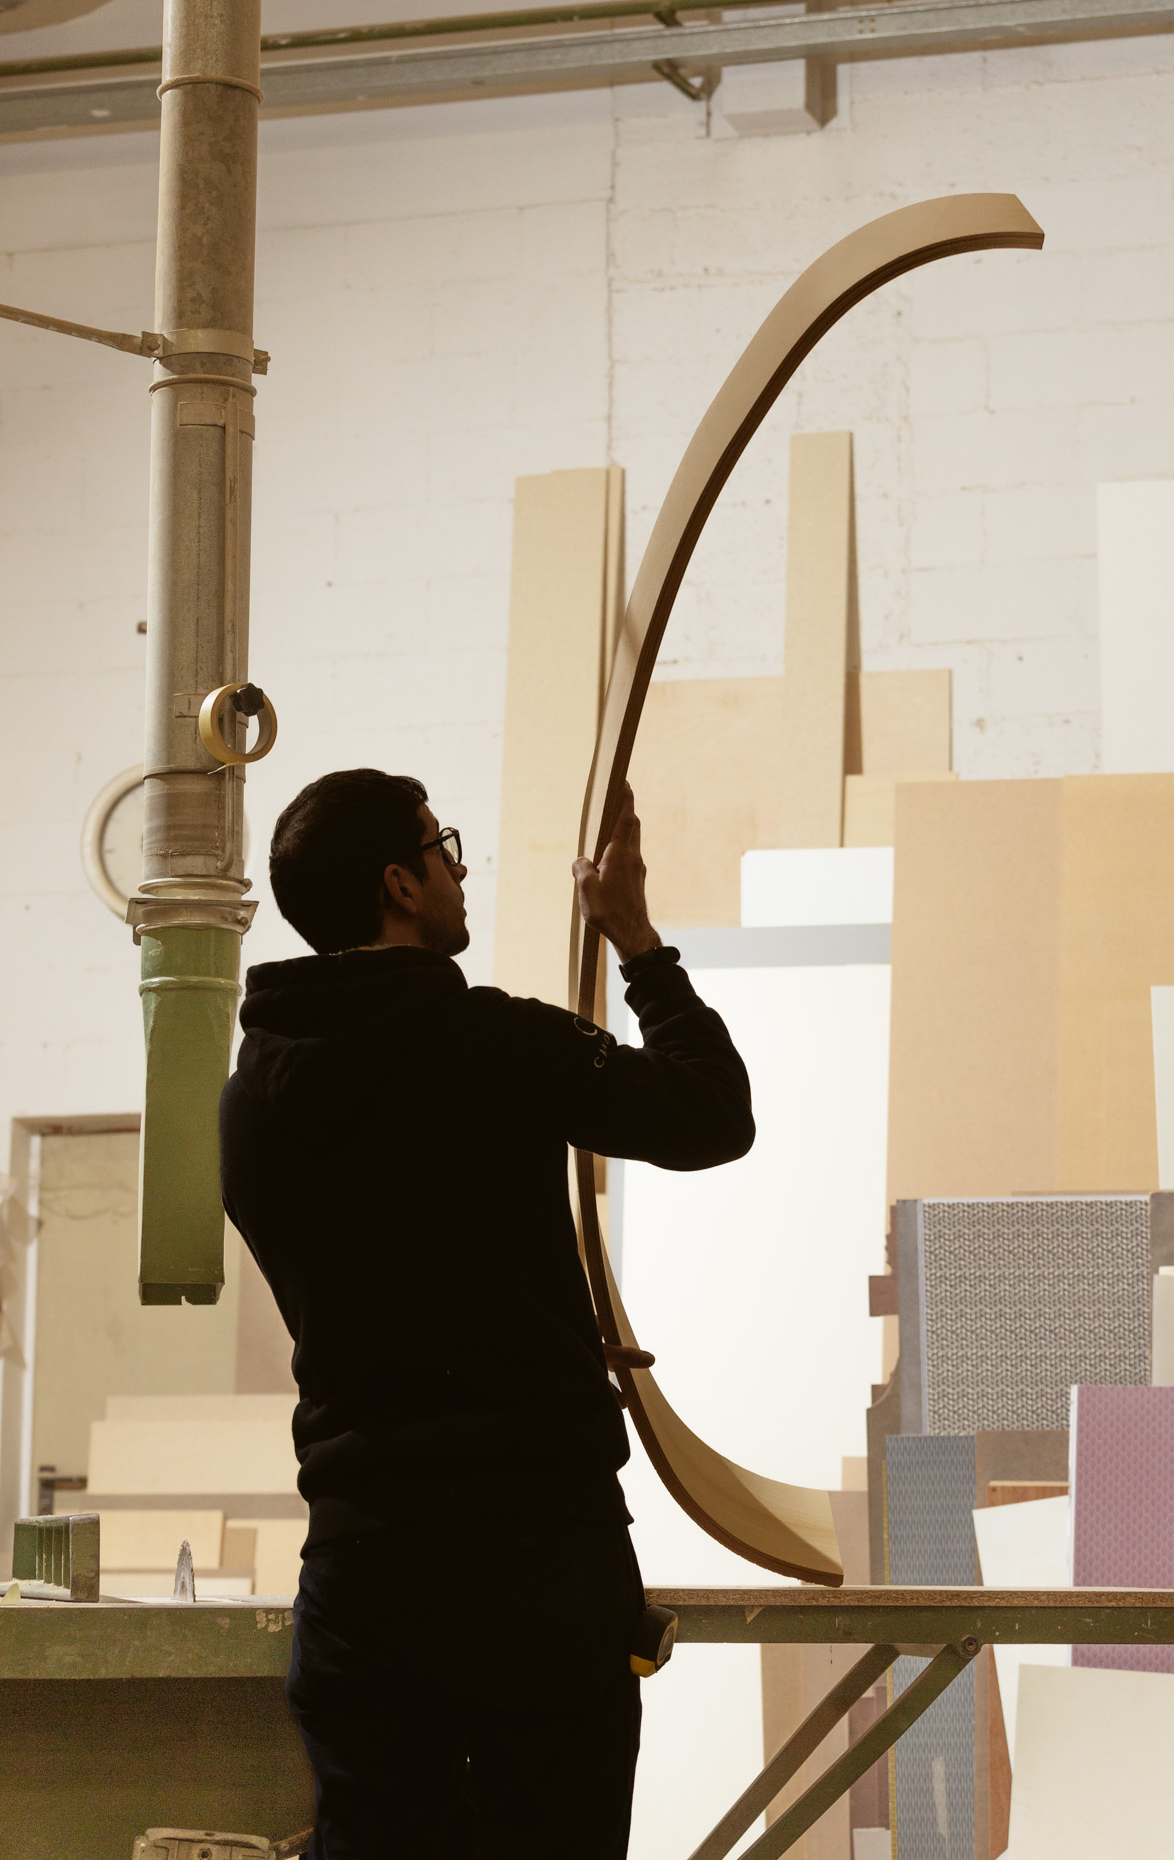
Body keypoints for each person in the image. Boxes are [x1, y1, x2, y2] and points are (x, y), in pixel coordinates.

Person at [219, 766, 754, 1859]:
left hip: (364, 1567)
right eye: (441, 848)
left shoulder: (252, 1098)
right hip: (533, 1557)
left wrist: (536, 1334)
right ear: (398, 884)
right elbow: (710, 1114)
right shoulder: (489, 1039)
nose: (458, 870)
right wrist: (636, 938)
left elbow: (380, 1281)